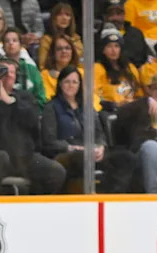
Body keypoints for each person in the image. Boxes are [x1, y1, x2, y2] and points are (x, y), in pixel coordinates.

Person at [0, 58, 65, 195]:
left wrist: (7, 99)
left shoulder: (25, 97)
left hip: (23, 157)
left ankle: (36, 206)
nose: (8, 75)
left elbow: (32, 121)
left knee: (56, 171)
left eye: (12, 72)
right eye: (4, 72)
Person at [41, 65, 136, 193]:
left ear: (80, 85)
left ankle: (111, 198)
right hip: (66, 153)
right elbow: (49, 141)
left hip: (91, 151)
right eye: (67, 82)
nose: (71, 85)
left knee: (126, 157)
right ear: (60, 84)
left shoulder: (87, 107)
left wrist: (100, 147)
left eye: (75, 82)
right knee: (83, 158)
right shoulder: (51, 108)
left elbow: (99, 134)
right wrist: (73, 148)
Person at [41, 35, 100, 110]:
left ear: (72, 51)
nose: (64, 51)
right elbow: (49, 98)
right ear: (53, 53)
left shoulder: (82, 73)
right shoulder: (45, 75)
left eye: (67, 48)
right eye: (59, 49)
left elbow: (92, 97)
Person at [94, 28, 143, 109]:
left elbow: (139, 94)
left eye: (117, 46)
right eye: (109, 46)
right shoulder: (97, 68)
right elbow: (94, 96)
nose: (113, 50)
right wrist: (115, 105)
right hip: (110, 110)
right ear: (103, 50)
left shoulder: (130, 68)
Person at [101, 0, 151, 69]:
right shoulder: (98, 36)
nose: (115, 18)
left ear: (124, 15)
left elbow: (143, 57)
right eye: (111, 14)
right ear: (104, 17)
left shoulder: (136, 33)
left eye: (119, 14)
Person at [2, 27, 45, 107]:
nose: (11, 43)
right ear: (3, 47)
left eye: (14, 40)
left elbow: (40, 97)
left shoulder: (31, 68)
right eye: (7, 41)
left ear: (21, 45)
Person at [38, 3, 82, 69]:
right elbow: (42, 65)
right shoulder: (46, 40)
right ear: (54, 18)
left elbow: (82, 63)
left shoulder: (76, 39)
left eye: (67, 15)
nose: (64, 18)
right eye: (60, 14)